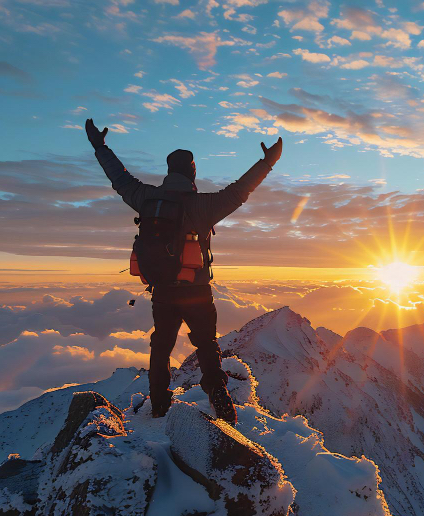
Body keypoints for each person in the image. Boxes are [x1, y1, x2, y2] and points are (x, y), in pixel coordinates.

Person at [85, 118, 282, 424]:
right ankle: (221, 402)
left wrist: (100, 147)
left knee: (161, 346)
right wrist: (267, 163)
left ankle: (159, 404)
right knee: (206, 344)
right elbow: (240, 191)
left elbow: (119, 178)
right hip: (197, 292)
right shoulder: (203, 206)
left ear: (168, 171)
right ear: (192, 172)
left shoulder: (146, 198)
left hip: (162, 291)